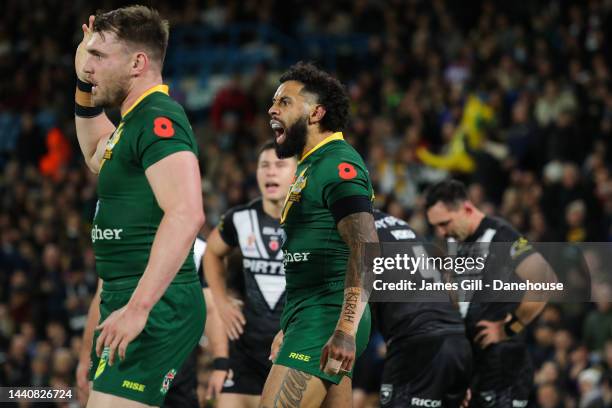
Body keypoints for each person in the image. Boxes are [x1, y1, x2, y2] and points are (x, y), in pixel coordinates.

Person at [73, 6, 205, 407]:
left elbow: (187, 213)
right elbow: (97, 150)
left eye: (98, 57)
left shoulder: (158, 118)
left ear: (138, 63)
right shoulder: (132, 123)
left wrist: (138, 308)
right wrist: (83, 82)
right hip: (124, 293)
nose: (87, 65)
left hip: (154, 302)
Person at [262, 62, 378, 407]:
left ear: (316, 113)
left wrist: (344, 329)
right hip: (308, 316)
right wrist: (292, 323)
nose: (272, 108)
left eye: (284, 102)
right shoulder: (311, 165)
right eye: (273, 100)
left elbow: (367, 246)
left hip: (326, 317)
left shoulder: (338, 163)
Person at [425, 179, 556, 408]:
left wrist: (509, 328)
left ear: (466, 208)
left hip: (503, 367)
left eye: (445, 223)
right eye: (436, 226)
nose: (442, 232)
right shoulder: (459, 243)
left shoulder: (500, 235)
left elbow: (545, 280)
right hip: (474, 366)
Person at [76, 237, 227, 408]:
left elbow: (211, 309)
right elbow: (100, 298)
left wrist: (221, 363)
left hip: (174, 363)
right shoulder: (125, 238)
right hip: (125, 358)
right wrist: (85, 358)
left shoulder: (198, 248)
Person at [203, 141, 297, 407]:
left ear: (297, 173)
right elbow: (212, 253)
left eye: (279, 165)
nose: (270, 172)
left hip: (292, 349)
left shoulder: (312, 221)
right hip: (246, 350)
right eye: (264, 165)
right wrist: (220, 300)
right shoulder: (239, 218)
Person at [370, 209, 472, 407]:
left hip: (417, 344)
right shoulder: (403, 226)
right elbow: (448, 280)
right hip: (456, 340)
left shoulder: (352, 226)